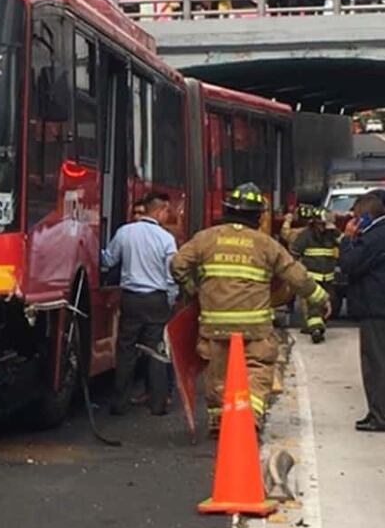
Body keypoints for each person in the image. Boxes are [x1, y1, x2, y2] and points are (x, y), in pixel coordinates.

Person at [170, 183, 331, 435]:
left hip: (215, 324)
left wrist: (194, 289)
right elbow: (296, 276)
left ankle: (218, 420)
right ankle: (251, 414)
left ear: (227, 210)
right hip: (254, 326)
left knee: (217, 373)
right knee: (258, 367)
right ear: (258, 215)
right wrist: (320, 298)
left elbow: (177, 264)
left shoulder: (206, 238)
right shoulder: (266, 244)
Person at [102, 192, 178, 416]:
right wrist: (170, 300)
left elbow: (108, 260)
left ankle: (120, 403)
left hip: (131, 299)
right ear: (159, 210)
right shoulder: (166, 239)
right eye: (166, 211)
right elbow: (171, 274)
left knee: (126, 349)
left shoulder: (125, 233)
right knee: (156, 350)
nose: (168, 215)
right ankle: (158, 404)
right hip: (156, 299)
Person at [338, 191, 385, 432]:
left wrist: (347, 239)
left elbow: (349, 264)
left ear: (366, 217)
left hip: (375, 308)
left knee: (375, 364)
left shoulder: (374, 236)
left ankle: (379, 416)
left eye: (356, 216)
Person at [290, 207, 341, 343]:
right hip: (312, 279)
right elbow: (294, 254)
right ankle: (316, 330)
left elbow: (344, 244)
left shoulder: (332, 235)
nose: (324, 228)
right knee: (314, 305)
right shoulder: (306, 236)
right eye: (322, 224)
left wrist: (335, 231)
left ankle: (315, 325)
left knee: (330, 303)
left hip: (328, 278)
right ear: (315, 223)